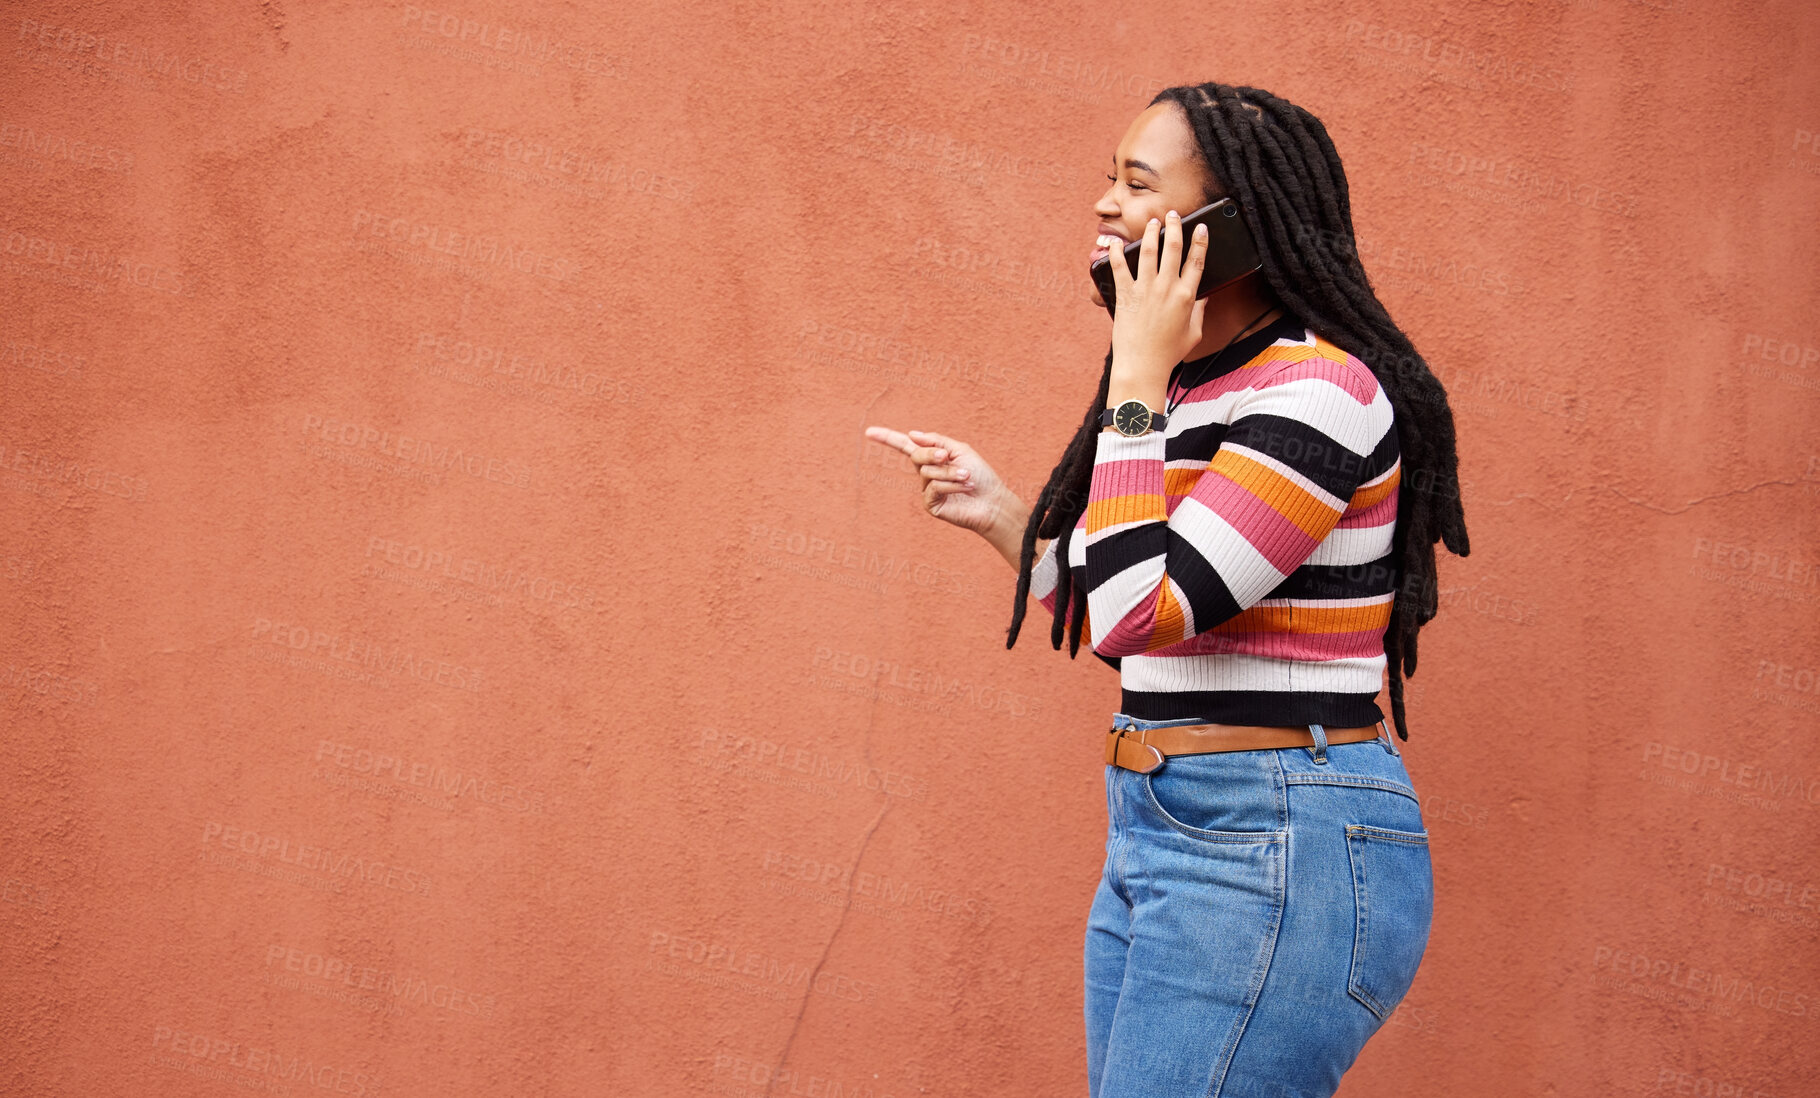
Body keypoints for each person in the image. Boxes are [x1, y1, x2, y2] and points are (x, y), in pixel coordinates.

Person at [865, 81, 1471, 1097]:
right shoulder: (1194, 391)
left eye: (1136, 183)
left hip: (1274, 830)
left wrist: (1135, 381)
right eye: (1108, 178)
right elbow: (1129, 627)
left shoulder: (1316, 392)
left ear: (1226, 223)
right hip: (1161, 819)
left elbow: (1149, 608)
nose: (1102, 204)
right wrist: (1004, 516)